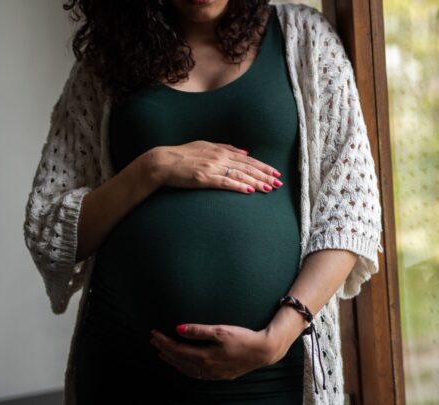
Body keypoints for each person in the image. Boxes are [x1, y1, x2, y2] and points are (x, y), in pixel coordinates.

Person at [22, 1, 384, 404]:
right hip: (126, 370)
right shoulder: (109, 60)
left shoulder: (304, 38)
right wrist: (153, 167)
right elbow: (48, 226)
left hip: (270, 372)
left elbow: (352, 210)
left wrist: (278, 337)